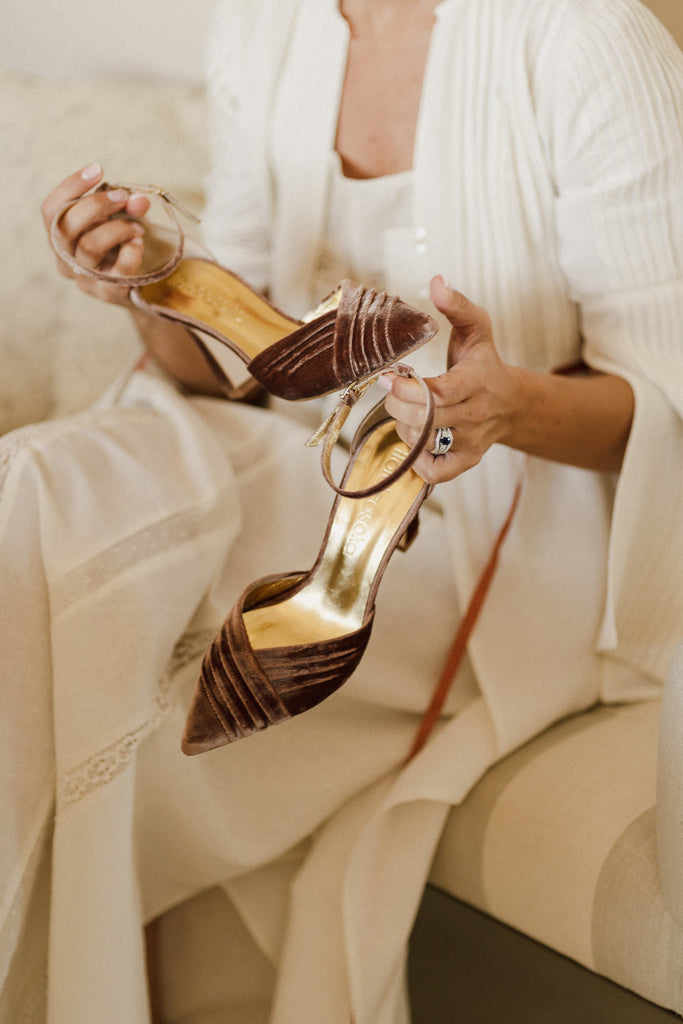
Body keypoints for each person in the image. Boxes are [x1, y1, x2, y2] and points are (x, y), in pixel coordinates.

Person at [3, 0, 682, 1020]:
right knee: (32, 492)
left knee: (96, 652)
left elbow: (664, 401)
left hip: (510, 537)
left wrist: (504, 407)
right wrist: (146, 283)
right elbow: (237, 371)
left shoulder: (584, 37)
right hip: (303, 450)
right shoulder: (260, 27)